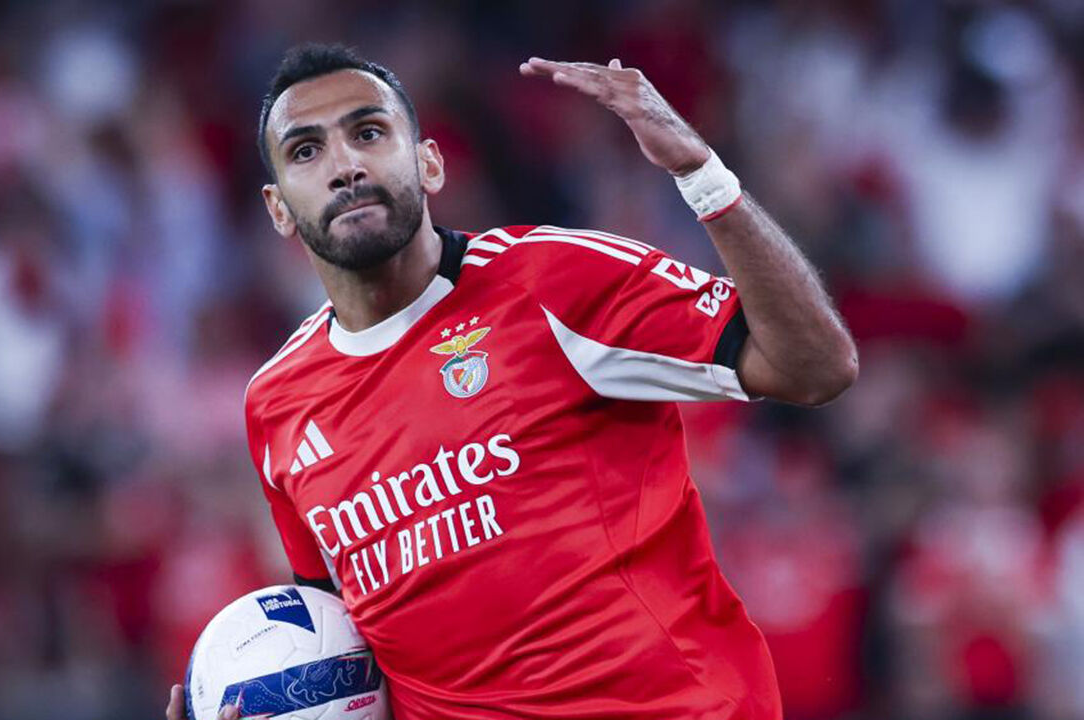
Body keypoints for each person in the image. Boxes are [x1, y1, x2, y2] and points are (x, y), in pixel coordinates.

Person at [167, 43, 857, 720]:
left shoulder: (552, 279)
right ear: (278, 207)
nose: (344, 166)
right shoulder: (276, 403)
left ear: (430, 163)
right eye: (306, 151)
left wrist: (703, 175)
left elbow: (817, 366)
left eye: (369, 133)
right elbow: (343, 652)